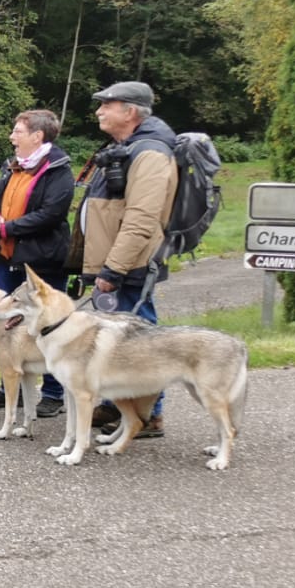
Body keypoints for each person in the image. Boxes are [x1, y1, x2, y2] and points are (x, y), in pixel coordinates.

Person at [81, 80, 179, 437]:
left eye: (107, 105)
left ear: (131, 111)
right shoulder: (127, 147)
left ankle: (149, 414)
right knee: (118, 338)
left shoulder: (150, 152)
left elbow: (141, 219)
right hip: (119, 262)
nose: (99, 111)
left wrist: (113, 269)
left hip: (131, 264)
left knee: (140, 340)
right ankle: (118, 404)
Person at [0, 109, 75, 417]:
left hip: (43, 261)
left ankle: (54, 393)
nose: (12, 137)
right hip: (7, 257)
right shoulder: (14, 166)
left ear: (37, 136)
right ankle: (15, 388)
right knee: (9, 324)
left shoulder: (58, 170)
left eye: (17, 132)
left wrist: (6, 228)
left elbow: (51, 214)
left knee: (48, 325)